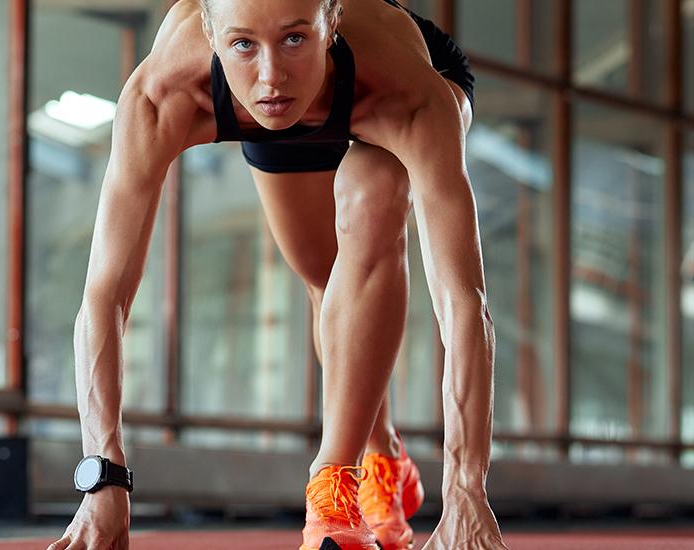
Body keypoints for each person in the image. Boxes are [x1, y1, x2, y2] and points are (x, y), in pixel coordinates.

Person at [47, 0, 507, 548]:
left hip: (386, 82)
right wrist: (103, 476)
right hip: (266, 110)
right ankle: (383, 456)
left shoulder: (407, 93)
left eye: (294, 39)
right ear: (210, 33)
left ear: (330, 23)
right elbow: (105, 293)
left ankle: (333, 487)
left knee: (370, 204)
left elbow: (462, 301)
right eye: (243, 45)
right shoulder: (165, 92)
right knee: (322, 276)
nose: (271, 76)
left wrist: (466, 489)